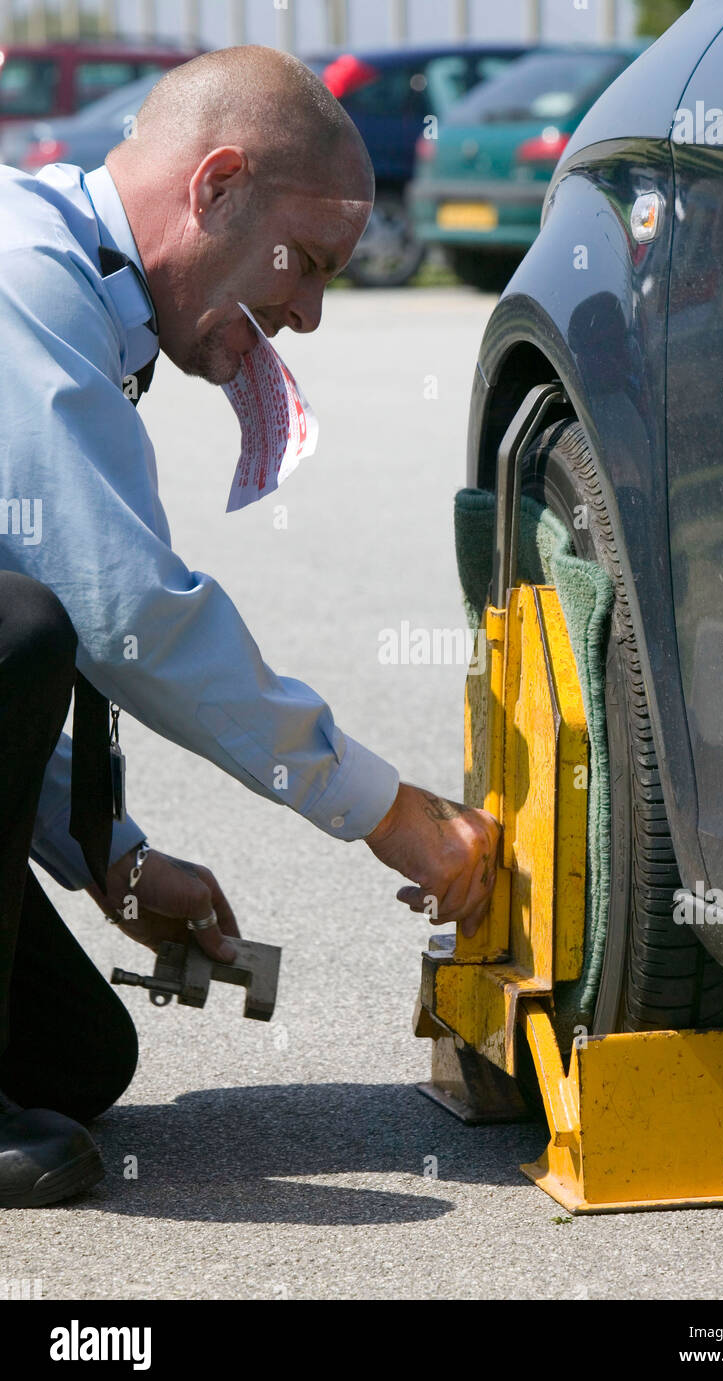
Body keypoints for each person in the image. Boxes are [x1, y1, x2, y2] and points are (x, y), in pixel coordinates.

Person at [0, 46, 499, 1208]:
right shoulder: (25, 283)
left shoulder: (76, 292)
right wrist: (386, 811)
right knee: (25, 623)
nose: (311, 315)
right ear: (216, 185)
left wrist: (108, 857)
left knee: (76, 1064)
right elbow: (126, 617)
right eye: (307, 264)